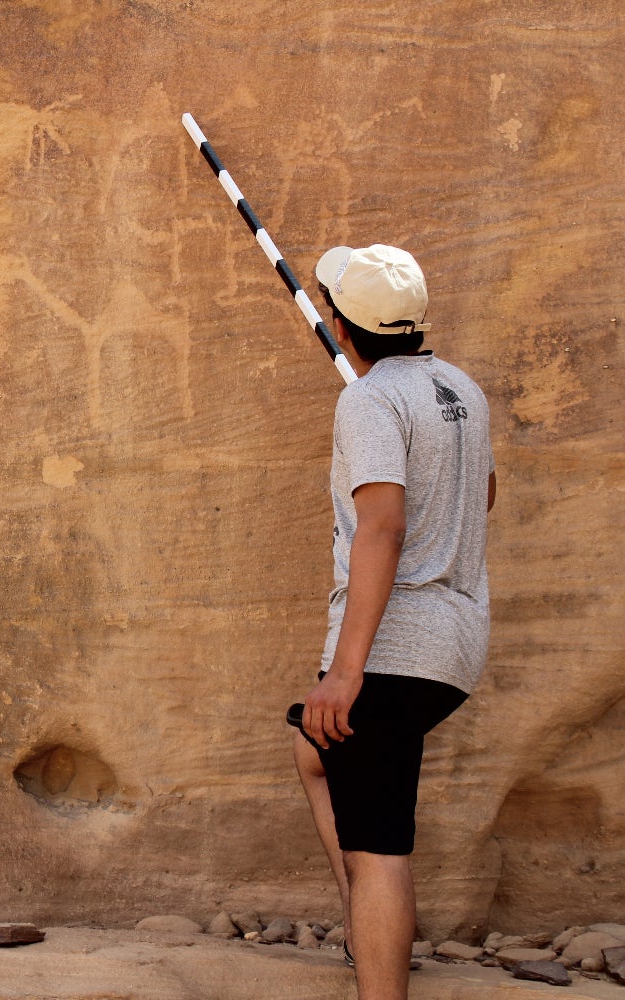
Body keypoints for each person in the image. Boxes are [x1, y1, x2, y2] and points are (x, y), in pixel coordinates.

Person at [292, 244, 494, 1000]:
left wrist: (345, 673)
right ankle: (367, 930)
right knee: (314, 751)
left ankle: (378, 965)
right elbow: (483, 494)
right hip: (457, 644)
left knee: (377, 844)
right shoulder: (461, 389)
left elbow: (382, 528)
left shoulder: (369, 401)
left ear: (343, 328)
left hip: (393, 651)